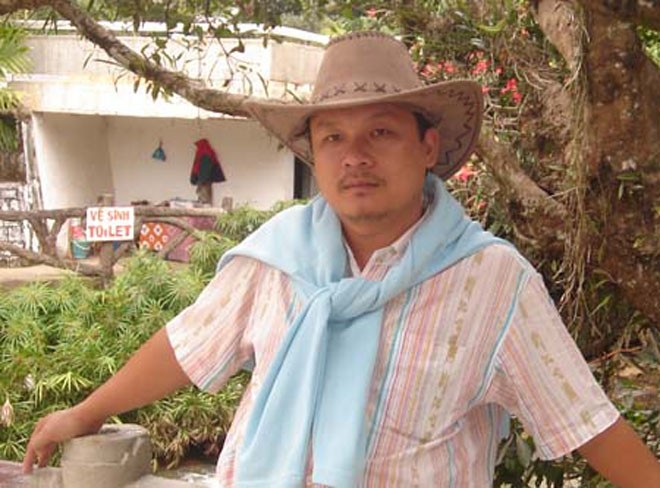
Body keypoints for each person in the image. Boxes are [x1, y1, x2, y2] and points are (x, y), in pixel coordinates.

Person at [23, 31, 659, 487]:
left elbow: (584, 421)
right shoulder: (277, 255)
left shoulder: (494, 283)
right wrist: (86, 412)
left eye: (380, 131)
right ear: (315, 157)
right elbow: (188, 346)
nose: (355, 155)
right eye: (333, 137)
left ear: (427, 145)